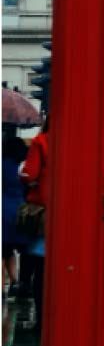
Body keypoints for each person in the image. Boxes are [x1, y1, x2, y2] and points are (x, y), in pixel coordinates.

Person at [18, 117, 48, 329]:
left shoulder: (41, 142)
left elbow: (29, 174)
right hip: (72, 212)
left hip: (45, 212)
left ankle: (41, 318)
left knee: (41, 268)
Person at [2, 126, 28, 297]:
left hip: (2, 210)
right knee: (12, 249)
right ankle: (15, 282)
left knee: (3, 250)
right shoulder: (23, 167)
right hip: (20, 212)